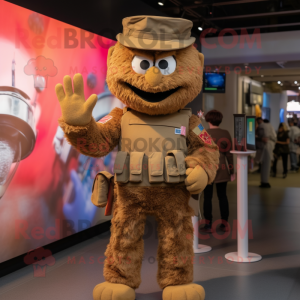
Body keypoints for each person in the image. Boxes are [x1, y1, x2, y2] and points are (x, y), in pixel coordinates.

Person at [201, 110, 234, 233]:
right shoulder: (225, 133)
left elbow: (195, 131)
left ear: (208, 120)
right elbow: (229, 154)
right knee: (223, 197)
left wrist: (199, 119)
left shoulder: (204, 133)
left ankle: (208, 224)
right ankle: (224, 224)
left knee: (207, 198)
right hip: (222, 169)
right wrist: (232, 171)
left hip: (208, 169)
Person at [257, 119, 277, 188]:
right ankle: (265, 181)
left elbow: (264, 136)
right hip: (269, 146)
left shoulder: (262, 126)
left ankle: (264, 182)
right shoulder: (270, 126)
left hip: (265, 147)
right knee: (266, 165)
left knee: (265, 165)